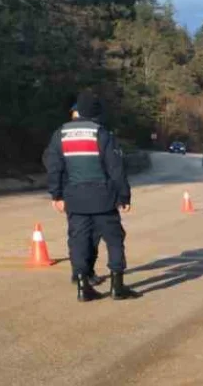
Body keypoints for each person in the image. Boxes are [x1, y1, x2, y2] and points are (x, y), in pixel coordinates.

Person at [43, 91, 140, 302]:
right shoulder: (102, 134)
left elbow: (54, 167)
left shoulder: (60, 134)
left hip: (75, 199)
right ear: (96, 112)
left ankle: (82, 286)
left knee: (78, 241)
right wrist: (124, 196)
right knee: (114, 240)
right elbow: (116, 169)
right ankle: (117, 286)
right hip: (103, 198)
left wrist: (56, 195)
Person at [65, 101, 102, 288]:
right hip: (90, 193)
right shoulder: (97, 133)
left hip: (77, 193)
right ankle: (81, 272)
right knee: (86, 235)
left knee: (82, 235)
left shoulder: (62, 134)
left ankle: (82, 272)